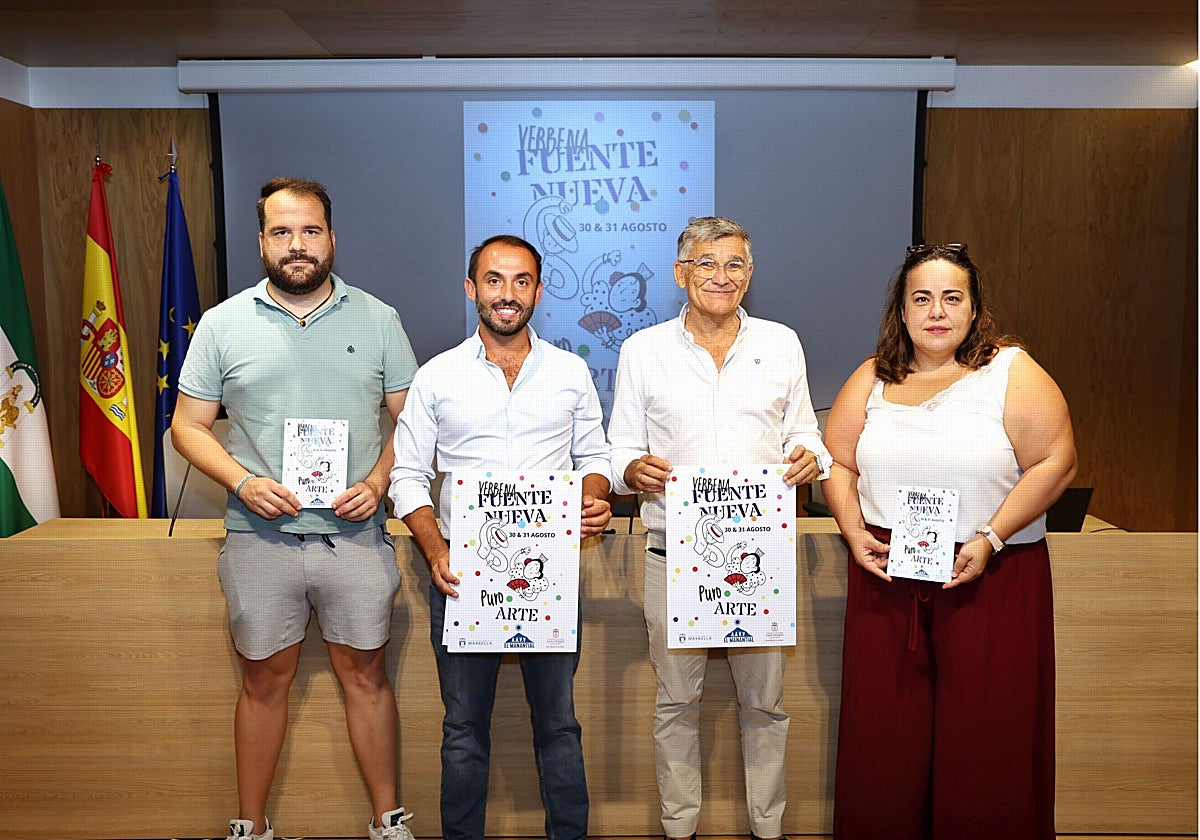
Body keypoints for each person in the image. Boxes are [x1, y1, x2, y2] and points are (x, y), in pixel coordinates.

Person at [172, 177, 419, 840]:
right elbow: (188, 426)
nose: (297, 245)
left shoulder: (379, 319)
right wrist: (242, 481)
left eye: (310, 230)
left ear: (332, 238)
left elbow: (413, 422)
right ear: (262, 243)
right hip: (259, 538)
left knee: (366, 676)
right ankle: (250, 826)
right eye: (282, 232)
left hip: (356, 537)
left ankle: (387, 821)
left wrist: (378, 479)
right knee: (261, 682)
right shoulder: (223, 325)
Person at [823, 243, 1077, 840]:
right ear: (902, 312)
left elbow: (1057, 462)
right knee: (885, 734)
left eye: (951, 298)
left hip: (990, 574)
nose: (937, 311)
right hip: (888, 577)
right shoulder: (872, 377)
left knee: (988, 734)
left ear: (972, 308)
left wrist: (991, 536)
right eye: (922, 299)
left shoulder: (1011, 370)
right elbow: (836, 462)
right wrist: (853, 530)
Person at [607, 216, 830, 840]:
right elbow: (617, 450)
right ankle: (680, 830)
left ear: (750, 275)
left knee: (765, 706)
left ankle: (769, 830)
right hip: (671, 553)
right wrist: (630, 467)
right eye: (708, 264)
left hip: (761, 557)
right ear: (681, 274)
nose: (722, 276)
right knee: (676, 704)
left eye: (735, 265)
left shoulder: (782, 343)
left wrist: (814, 455)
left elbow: (805, 434)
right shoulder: (642, 349)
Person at [388, 234, 612, 840]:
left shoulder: (570, 372)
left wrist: (593, 497)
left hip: (550, 576)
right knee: (463, 728)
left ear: (538, 291)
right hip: (463, 579)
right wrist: (437, 550)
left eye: (520, 281)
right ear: (471, 289)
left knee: (559, 724)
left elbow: (595, 456)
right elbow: (407, 477)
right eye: (493, 280)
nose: (506, 294)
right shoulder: (436, 377)